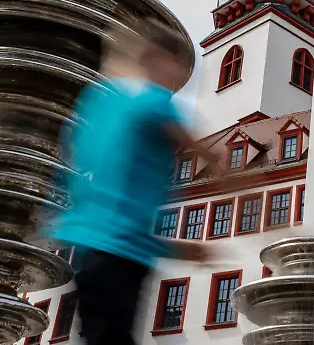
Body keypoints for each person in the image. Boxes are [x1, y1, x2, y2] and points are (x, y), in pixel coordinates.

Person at [51, 20, 221, 345]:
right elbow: (177, 131)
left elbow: (111, 210)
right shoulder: (150, 103)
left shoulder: (101, 107)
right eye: (179, 68)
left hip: (95, 251)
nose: (179, 80)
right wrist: (217, 160)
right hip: (117, 257)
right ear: (157, 58)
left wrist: (176, 248)